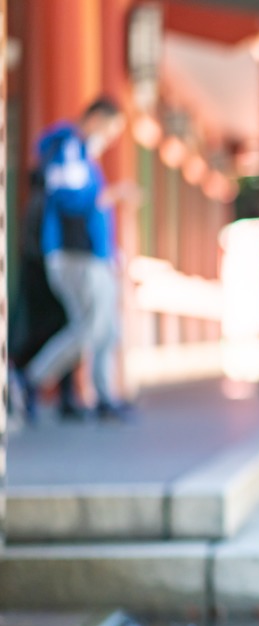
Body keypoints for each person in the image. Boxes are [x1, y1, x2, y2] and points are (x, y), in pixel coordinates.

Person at [17, 96, 134, 422]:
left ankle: (104, 396)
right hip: (74, 255)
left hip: (93, 255)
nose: (111, 138)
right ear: (97, 118)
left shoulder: (83, 154)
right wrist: (111, 195)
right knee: (89, 328)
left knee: (107, 329)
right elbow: (70, 200)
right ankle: (30, 380)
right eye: (111, 129)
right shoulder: (69, 147)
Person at [9, 168, 85, 420]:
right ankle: (59, 395)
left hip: (37, 281)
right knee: (58, 335)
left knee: (46, 337)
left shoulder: (32, 203)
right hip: (47, 283)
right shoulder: (45, 205)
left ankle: (61, 396)